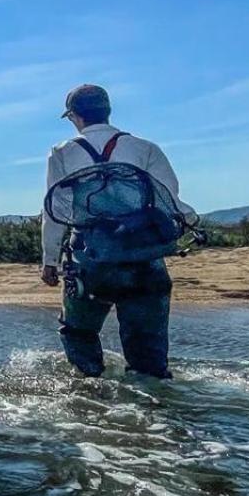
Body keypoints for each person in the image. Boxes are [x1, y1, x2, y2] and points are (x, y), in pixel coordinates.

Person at [41, 83, 192, 379]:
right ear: (107, 112)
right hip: (143, 260)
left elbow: (54, 211)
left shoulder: (61, 152)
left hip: (90, 261)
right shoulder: (145, 148)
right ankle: (155, 405)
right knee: (149, 359)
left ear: (73, 116)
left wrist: (49, 261)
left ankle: (91, 394)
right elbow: (170, 200)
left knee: (78, 333)